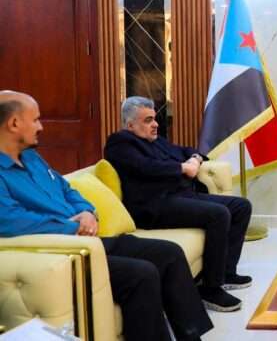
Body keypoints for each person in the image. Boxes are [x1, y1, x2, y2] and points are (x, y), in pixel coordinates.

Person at [0, 91, 213, 341]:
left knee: (169, 253)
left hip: (90, 238)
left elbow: (67, 190)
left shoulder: (32, 157)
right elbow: (10, 220)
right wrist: (69, 227)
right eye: (36, 120)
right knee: (142, 274)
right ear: (14, 123)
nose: (41, 127)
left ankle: (191, 336)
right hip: (63, 252)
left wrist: (88, 212)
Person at [104, 96, 252, 312]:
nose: (155, 124)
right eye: (148, 120)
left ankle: (227, 273)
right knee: (218, 214)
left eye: (154, 118)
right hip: (154, 206)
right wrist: (183, 168)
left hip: (180, 196)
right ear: (130, 125)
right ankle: (211, 289)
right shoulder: (120, 143)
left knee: (241, 207)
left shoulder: (156, 141)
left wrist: (194, 159)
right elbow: (146, 167)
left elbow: (186, 150)